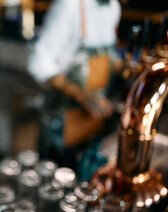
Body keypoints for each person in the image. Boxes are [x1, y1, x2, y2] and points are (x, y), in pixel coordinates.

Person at [28, 0, 122, 169]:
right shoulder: (69, 5)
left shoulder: (114, 7)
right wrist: (83, 95)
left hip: (93, 118)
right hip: (61, 120)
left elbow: (107, 53)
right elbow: (38, 62)